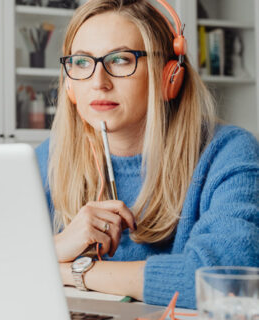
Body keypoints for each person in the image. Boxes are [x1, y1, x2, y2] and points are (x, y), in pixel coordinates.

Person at [35, 0, 259, 309]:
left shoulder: (228, 153)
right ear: (69, 84)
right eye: (82, 63)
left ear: (170, 76)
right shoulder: (47, 159)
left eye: (121, 60)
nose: (99, 82)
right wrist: (55, 247)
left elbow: (225, 280)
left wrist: (67, 269)